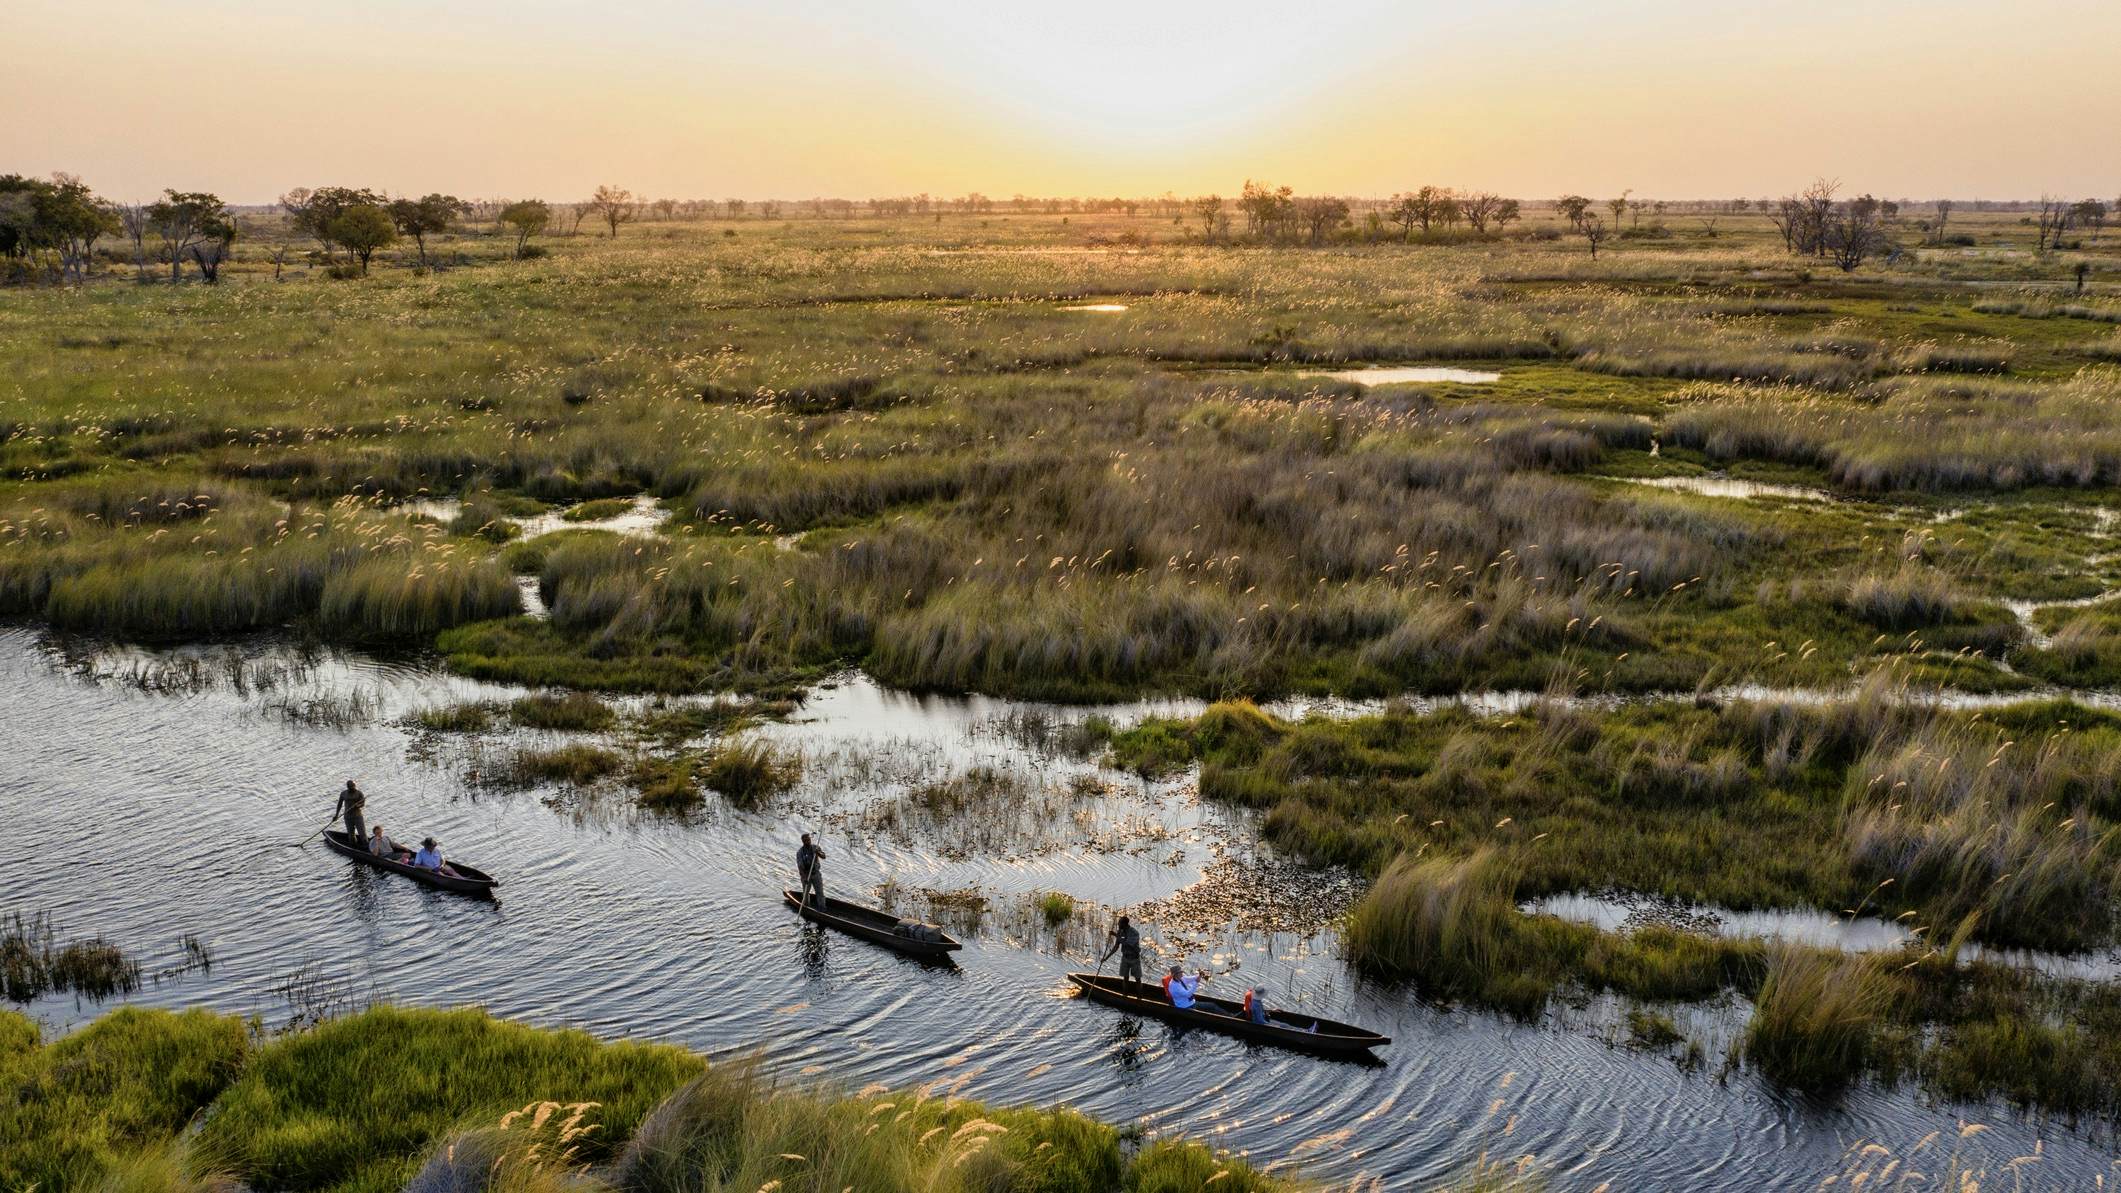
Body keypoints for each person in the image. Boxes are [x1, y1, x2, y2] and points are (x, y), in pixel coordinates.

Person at [1100, 915, 1143, 984]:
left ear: (1124, 924)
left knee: (1137, 979)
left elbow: (1128, 944)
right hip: (1125, 958)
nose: (1118, 924)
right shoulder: (1120, 932)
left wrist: (1116, 935)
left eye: (1119, 923)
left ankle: (1140, 995)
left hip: (1134, 959)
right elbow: (1116, 947)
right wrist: (1105, 958)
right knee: (1125, 979)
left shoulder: (1134, 932)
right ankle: (1124, 994)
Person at [795, 833, 826, 909]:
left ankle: (822, 908)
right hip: (806, 875)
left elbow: (824, 856)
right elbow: (800, 867)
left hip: (816, 874)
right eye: (805, 840)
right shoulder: (800, 852)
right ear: (803, 841)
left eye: (808, 839)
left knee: (820, 892)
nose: (807, 841)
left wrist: (818, 853)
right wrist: (804, 878)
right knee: (805, 893)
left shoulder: (815, 847)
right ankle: (806, 907)